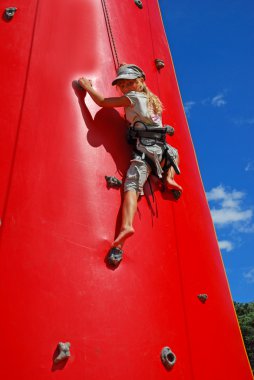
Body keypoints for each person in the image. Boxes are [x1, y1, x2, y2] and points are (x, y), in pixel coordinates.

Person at [78, 64, 182, 267]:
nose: (126, 88)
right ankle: (169, 178)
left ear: (141, 82)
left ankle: (126, 226)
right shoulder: (154, 101)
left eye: (129, 83)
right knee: (174, 154)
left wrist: (87, 87)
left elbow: (103, 102)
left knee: (132, 187)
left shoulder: (133, 97)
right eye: (122, 85)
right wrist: (126, 66)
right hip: (164, 151)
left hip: (145, 153)